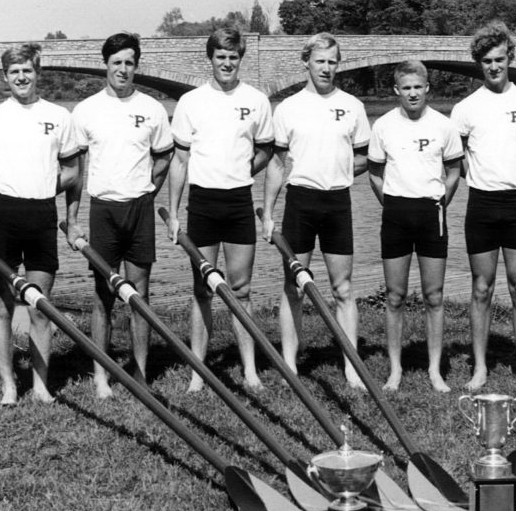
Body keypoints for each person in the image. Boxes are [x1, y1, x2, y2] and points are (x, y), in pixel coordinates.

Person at [0, 44, 82, 405]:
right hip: (5, 215)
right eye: (14, 71)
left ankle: (40, 384)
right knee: (2, 306)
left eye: (28, 71)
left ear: (37, 73)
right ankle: (8, 385)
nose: (21, 77)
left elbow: (74, 172)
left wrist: (47, 185)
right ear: (6, 77)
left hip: (42, 216)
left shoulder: (59, 116)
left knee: (40, 306)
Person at [261, 32, 370, 390]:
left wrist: (335, 169)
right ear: (306, 61)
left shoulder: (352, 105)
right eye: (320, 61)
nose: (326, 68)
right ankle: (290, 363)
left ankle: (351, 367)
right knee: (293, 285)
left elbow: (363, 156)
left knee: (343, 287)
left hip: (337, 202)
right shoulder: (288, 108)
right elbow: (277, 165)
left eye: (332, 62)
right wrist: (269, 213)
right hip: (301, 202)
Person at [67, 33, 174, 398]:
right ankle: (101, 375)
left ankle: (141, 373)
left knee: (139, 294)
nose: (123, 69)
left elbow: (163, 158)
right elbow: (76, 171)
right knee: (103, 296)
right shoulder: (85, 110)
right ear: (106, 65)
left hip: (139, 208)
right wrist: (73, 216)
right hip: (103, 209)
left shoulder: (154, 109)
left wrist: (147, 191)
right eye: (117, 63)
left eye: (129, 63)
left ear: (136, 66)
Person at [166, 28, 273, 392]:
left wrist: (242, 170)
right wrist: (174, 212)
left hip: (239, 202)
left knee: (241, 290)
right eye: (220, 56)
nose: (227, 63)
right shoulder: (190, 102)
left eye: (233, 57)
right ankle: (199, 372)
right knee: (202, 289)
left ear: (240, 59)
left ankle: (250, 370)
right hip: (203, 204)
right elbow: (179, 162)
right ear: (210, 58)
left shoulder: (256, 100)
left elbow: (265, 151)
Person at [450, 21, 516, 390]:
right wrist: (479, 176)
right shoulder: (465, 108)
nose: (494, 67)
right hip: (481, 205)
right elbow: (455, 158)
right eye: (487, 62)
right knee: (481, 288)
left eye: (499, 59)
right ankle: (480, 367)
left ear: (510, 57)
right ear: (479, 64)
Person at [367, 60, 463, 392]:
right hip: (395, 212)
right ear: (397, 91)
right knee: (395, 296)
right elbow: (374, 174)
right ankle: (395, 370)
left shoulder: (443, 126)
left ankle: (435, 370)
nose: (412, 93)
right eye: (405, 87)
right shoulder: (383, 126)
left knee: (434, 296)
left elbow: (454, 171)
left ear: (427, 89)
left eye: (417, 87)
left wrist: (440, 201)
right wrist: (392, 202)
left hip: (431, 213)